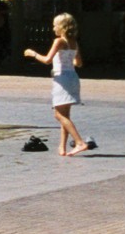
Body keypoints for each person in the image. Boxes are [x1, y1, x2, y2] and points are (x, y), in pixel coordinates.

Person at [26, 12, 94, 157]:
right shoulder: (74, 42)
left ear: (62, 27)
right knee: (65, 115)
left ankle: (80, 142)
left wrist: (33, 54)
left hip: (61, 79)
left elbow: (47, 60)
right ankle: (62, 147)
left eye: (55, 25)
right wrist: (67, 60)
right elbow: (79, 63)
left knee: (58, 115)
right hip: (73, 77)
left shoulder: (59, 41)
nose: (53, 28)